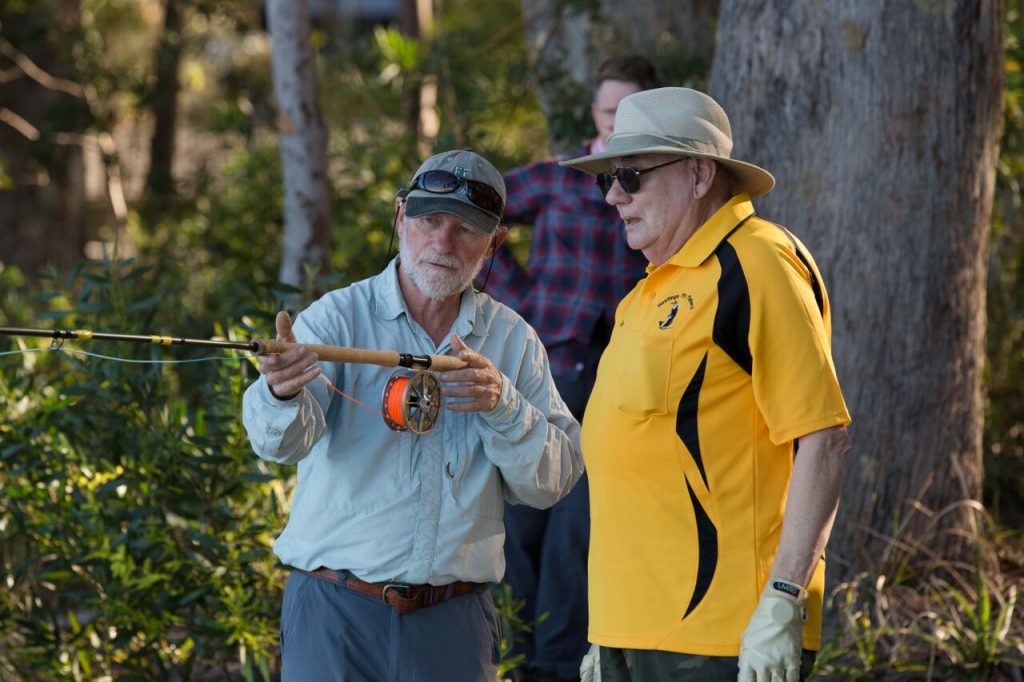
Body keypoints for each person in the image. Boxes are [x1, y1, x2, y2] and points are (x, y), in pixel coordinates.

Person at [242, 148, 584, 682]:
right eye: (429, 220)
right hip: (335, 611)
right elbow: (278, 445)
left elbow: (554, 482)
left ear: (494, 243)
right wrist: (280, 394)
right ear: (401, 216)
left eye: (466, 229)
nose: (442, 243)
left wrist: (503, 405)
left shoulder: (514, 340)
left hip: (455, 620)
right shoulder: (336, 317)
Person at [560, 87, 853, 681]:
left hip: (723, 640)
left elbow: (823, 438)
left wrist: (784, 598)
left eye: (632, 176)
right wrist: (607, 634)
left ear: (698, 175)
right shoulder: (643, 294)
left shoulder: (757, 262)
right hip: (632, 634)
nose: (614, 195)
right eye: (606, 180)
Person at [485, 55, 660, 682]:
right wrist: (519, 296)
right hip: (546, 370)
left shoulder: (652, 185)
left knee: (579, 532)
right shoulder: (557, 179)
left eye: (629, 110)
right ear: (594, 113)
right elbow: (481, 216)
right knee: (519, 522)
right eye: (609, 110)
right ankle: (506, 659)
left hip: (618, 379)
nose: (616, 121)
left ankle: (556, 669)